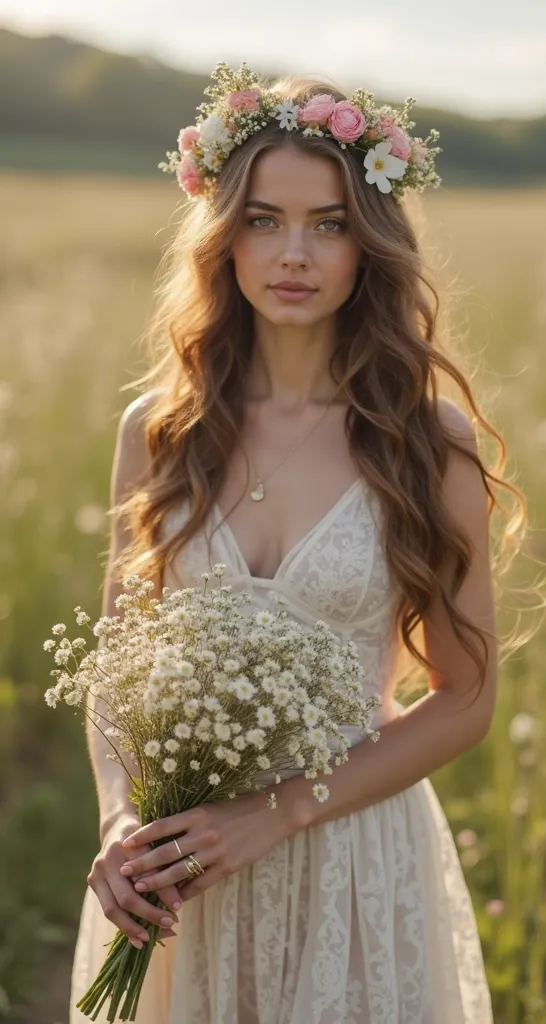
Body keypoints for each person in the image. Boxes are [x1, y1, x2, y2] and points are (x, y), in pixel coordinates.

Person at [69, 62, 522, 1022]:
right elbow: (117, 667)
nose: (295, 254)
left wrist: (274, 814)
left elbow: (465, 699)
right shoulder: (160, 430)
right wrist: (120, 820)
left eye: (330, 224)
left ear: (370, 247)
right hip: (180, 871)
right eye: (265, 219)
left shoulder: (421, 438)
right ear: (224, 237)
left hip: (352, 855)